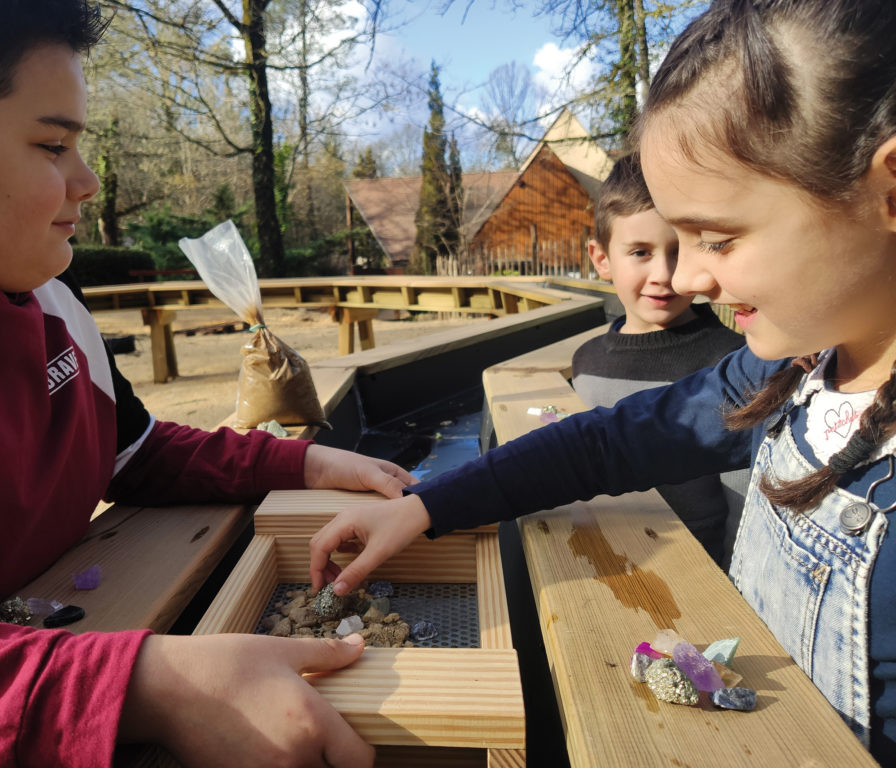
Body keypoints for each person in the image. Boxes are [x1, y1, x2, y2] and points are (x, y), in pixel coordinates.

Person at [309, 0, 896, 760]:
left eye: (717, 238)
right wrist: (425, 507)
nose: (689, 277)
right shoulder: (794, 369)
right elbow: (610, 443)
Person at [0, 1, 414, 765]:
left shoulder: (53, 295)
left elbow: (135, 452)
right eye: (53, 145)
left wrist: (299, 461)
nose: (88, 181)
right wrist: (142, 688)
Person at [571, 152, 745, 565]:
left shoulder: (732, 360)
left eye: (679, 251)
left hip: (704, 577)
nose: (664, 274)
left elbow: (744, 499)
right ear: (601, 259)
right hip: (599, 563)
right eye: (641, 252)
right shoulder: (586, 363)